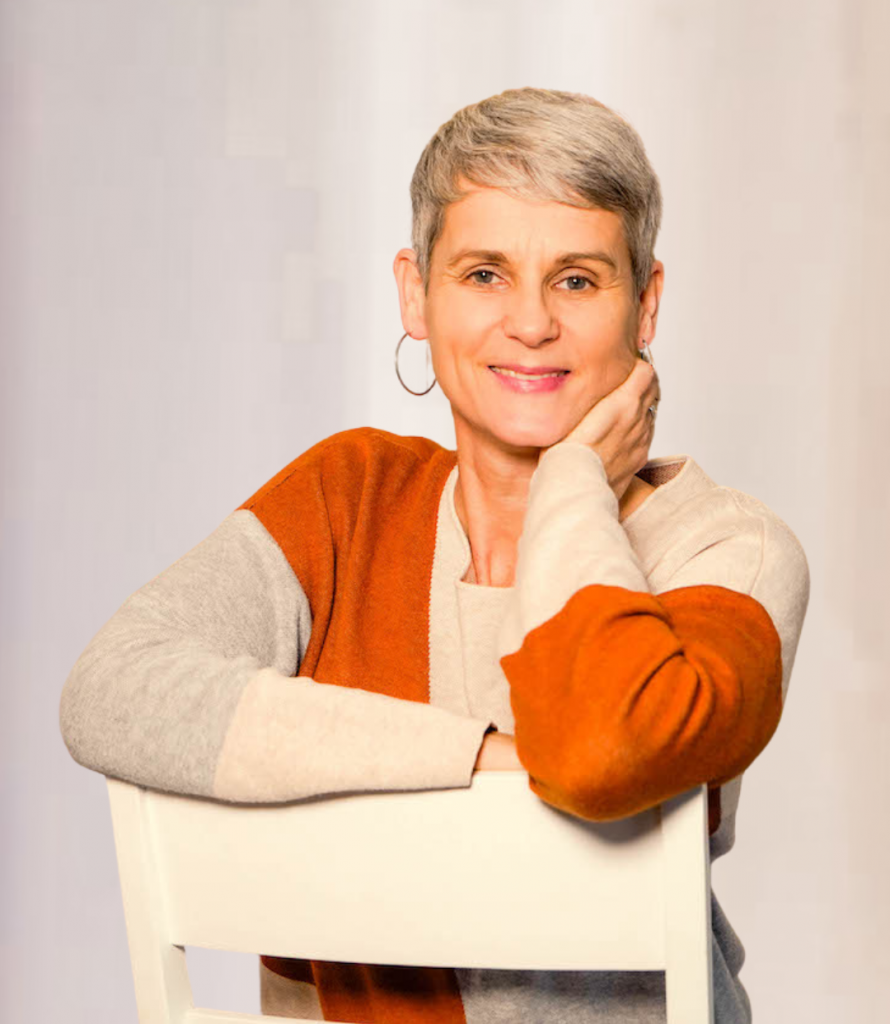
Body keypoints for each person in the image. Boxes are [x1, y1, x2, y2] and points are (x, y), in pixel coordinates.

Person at [59, 87, 810, 1023]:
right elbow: (111, 689)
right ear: (415, 294)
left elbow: (598, 754)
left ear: (645, 303)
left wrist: (573, 484)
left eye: (578, 280)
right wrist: (486, 760)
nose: (530, 322)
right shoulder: (347, 501)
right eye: (484, 274)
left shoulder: (729, 553)